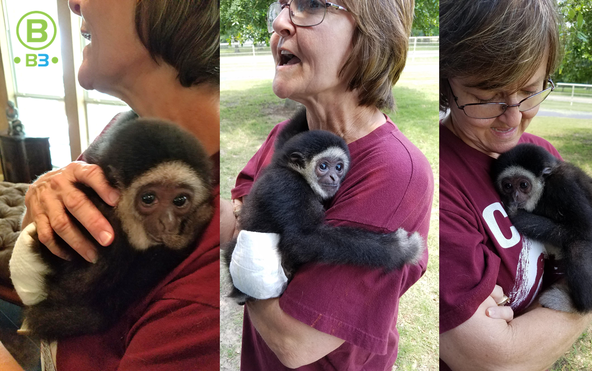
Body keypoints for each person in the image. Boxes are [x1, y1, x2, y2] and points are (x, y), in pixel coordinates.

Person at [219, 0, 434, 369]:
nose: (281, 23)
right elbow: (240, 207)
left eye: (309, 4)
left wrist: (248, 245)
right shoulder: (289, 135)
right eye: (282, 6)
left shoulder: (396, 171)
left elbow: (293, 341)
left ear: (372, 33)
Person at [9, 0, 219, 370]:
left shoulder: (215, 263)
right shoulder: (124, 128)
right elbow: (38, 243)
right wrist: (42, 192)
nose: (75, 4)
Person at [439, 0, 592, 370]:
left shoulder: (542, 155)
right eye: (487, 96)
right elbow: (492, 360)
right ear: (447, 85)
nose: (513, 116)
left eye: (529, 90)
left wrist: (532, 325)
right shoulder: (440, 181)